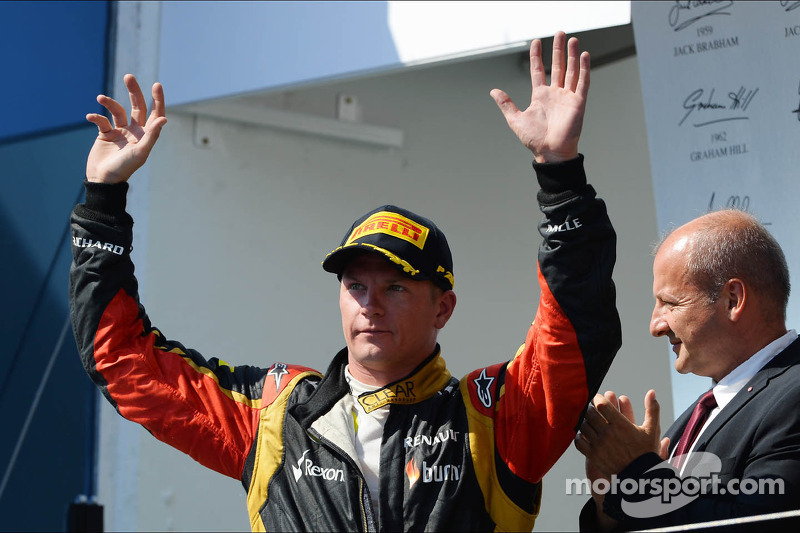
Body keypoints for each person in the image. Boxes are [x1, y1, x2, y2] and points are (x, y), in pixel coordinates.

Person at [70, 32, 621, 531]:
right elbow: (123, 361)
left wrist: (560, 177)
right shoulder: (274, 417)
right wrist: (102, 201)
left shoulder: (495, 417)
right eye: (356, 286)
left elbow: (576, 335)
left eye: (396, 287)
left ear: (443, 308)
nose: (370, 305)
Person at [575, 209, 800, 531]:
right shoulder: (704, 411)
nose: (656, 325)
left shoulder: (793, 396)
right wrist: (610, 502)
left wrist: (636, 473)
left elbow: (761, 521)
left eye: (670, 303)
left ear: (732, 299)